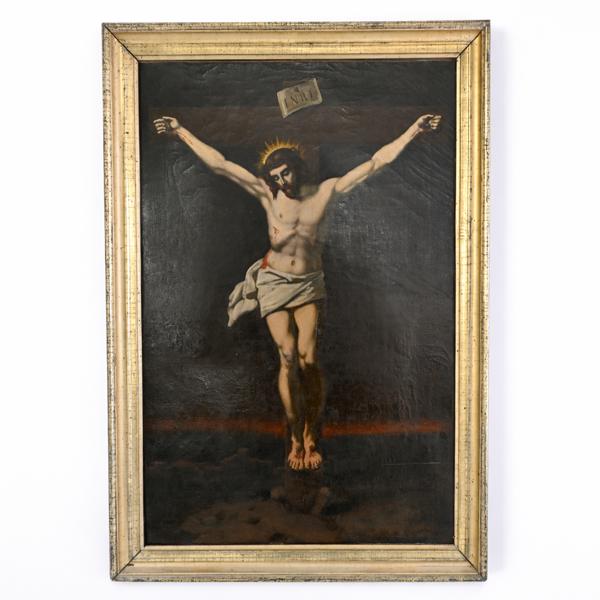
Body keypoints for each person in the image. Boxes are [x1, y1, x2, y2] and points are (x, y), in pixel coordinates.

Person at [153, 113, 442, 471]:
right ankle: (294, 438)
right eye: (275, 177)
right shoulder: (268, 196)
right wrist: (180, 131)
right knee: (288, 356)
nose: (281, 181)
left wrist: (414, 130)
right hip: (273, 281)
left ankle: (312, 434)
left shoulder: (326, 191)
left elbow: (375, 163)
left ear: (298, 168)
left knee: (309, 358)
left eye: (285, 173)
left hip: (307, 283)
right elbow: (221, 165)